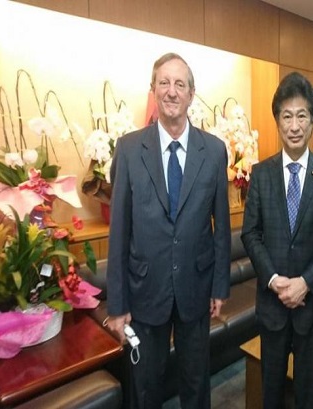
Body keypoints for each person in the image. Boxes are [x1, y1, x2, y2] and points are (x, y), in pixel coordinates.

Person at [105, 53, 231, 409]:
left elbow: (221, 225)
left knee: (195, 382)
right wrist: (117, 304)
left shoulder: (215, 151)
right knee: (145, 386)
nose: (172, 91)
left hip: (196, 286)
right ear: (153, 90)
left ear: (192, 94)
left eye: (180, 84)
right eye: (164, 82)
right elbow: (119, 232)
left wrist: (220, 285)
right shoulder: (129, 149)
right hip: (144, 290)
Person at [241, 72, 313, 409]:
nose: (295, 124)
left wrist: (305, 282)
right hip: (272, 307)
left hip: (311, 307)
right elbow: (250, 234)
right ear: (277, 121)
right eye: (287, 116)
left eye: (302, 115)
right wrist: (273, 280)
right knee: (269, 392)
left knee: (306, 394)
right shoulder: (260, 174)